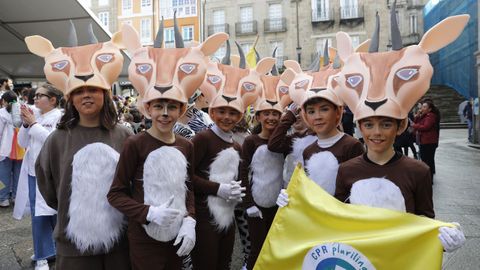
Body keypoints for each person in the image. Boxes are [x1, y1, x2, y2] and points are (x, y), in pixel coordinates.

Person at [330, 10, 467, 255]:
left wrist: (443, 237)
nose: (377, 133)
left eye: (386, 124)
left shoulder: (419, 171)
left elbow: (424, 221)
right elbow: (335, 219)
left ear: (400, 127)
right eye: (369, 125)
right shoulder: (346, 170)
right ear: (360, 128)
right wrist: (298, 206)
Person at [107, 19, 223, 269]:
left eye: (172, 106)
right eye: (158, 106)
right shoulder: (135, 143)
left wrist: (190, 220)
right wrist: (147, 213)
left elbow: (188, 187)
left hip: (178, 236)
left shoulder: (186, 145)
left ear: (181, 109)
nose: (165, 113)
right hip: (144, 239)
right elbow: (115, 194)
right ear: (147, 109)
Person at [26, 24, 132, 269]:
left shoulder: (124, 136)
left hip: (120, 245)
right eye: (80, 91)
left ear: (105, 94)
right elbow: (48, 187)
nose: (87, 95)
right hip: (73, 249)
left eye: (93, 89)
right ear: (70, 98)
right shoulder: (57, 140)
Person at [191, 48, 273, 269]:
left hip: (228, 217)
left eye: (233, 113)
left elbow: (240, 178)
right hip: (204, 218)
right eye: (222, 111)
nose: (227, 117)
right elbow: (188, 177)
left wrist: (241, 197)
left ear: (240, 116)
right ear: (213, 111)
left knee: (224, 262)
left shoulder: (238, 145)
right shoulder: (202, 139)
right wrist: (217, 189)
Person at [239, 75, 290, 269]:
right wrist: (249, 204)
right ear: (258, 116)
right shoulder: (251, 141)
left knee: (276, 246)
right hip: (257, 206)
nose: (271, 118)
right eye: (266, 113)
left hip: (279, 203)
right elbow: (243, 173)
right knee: (258, 249)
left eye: (275, 113)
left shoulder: (284, 142)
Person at [12, 83, 63, 270]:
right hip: (34, 173)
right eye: (36, 95)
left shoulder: (61, 117)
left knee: (55, 214)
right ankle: (42, 254)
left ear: (52, 100)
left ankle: (56, 249)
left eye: (40, 95)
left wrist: (33, 123)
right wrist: (26, 124)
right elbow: (22, 142)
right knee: (38, 215)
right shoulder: (36, 116)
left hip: (53, 174)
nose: (35, 98)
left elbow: (53, 142)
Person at [0, 90, 24, 207]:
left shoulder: (1, 113)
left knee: (3, 175)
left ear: (4, 101)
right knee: (18, 174)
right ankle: (15, 197)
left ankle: (3, 198)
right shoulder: (21, 110)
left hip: (5, 148)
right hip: (21, 148)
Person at [412, 100, 440, 178]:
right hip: (424, 141)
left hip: (429, 142)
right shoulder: (424, 116)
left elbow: (425, 127)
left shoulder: (430, 116)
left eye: (424, 107)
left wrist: (414, 126)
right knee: (425, 160)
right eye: (422, 106)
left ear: (429, 109)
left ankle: (429, 179)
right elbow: (418, 123)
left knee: (427, 161)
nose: (422, 108)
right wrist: (417, 116)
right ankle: (428, 177)